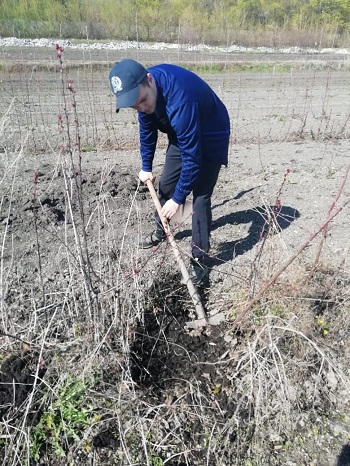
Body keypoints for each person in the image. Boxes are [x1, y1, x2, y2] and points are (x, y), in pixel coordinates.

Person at [109, 58, 230, 286]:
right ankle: (161, 230)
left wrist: (179, 198)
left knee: (200, 197)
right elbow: (147, 132)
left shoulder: (180, 100)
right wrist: (146, 167)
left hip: (211, 133)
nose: (142, 108)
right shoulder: (143, 95)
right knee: (167, 183)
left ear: (150, 80)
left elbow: (193, 158)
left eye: (143, 101)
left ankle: (200, 258)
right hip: (183, 132)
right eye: (136, 106)